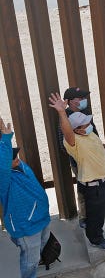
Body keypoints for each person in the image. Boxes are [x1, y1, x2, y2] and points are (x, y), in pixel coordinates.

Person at [49, 93, 105, 249]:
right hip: (93, 185)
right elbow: (67, 131)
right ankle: (96, 239)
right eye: (85, 124)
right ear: (77, 130)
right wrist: (61, 112)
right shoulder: (73, 142)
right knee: (96, 215)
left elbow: (97, 145)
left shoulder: (89, 134)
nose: (89, 125)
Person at [1, 118, 51, 278]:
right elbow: (2, 165)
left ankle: (36, 262)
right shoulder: (4, 178)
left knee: (41, 245)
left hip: (40, 218)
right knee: (31, 259)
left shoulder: (18, 165)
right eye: (12, 157)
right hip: (26, 225)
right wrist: (6, 140)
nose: (17, 157)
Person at [57, 87, 99, 228]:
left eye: (83, 97)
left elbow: (95, 134)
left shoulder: (85, 113)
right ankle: (84, 217)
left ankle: (96, 214)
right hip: (80, 162)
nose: (83, 100)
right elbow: (64, 145)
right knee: (83, 189)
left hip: (95, 160)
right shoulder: (65, 119)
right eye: (79, 98)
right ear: (69, 101)